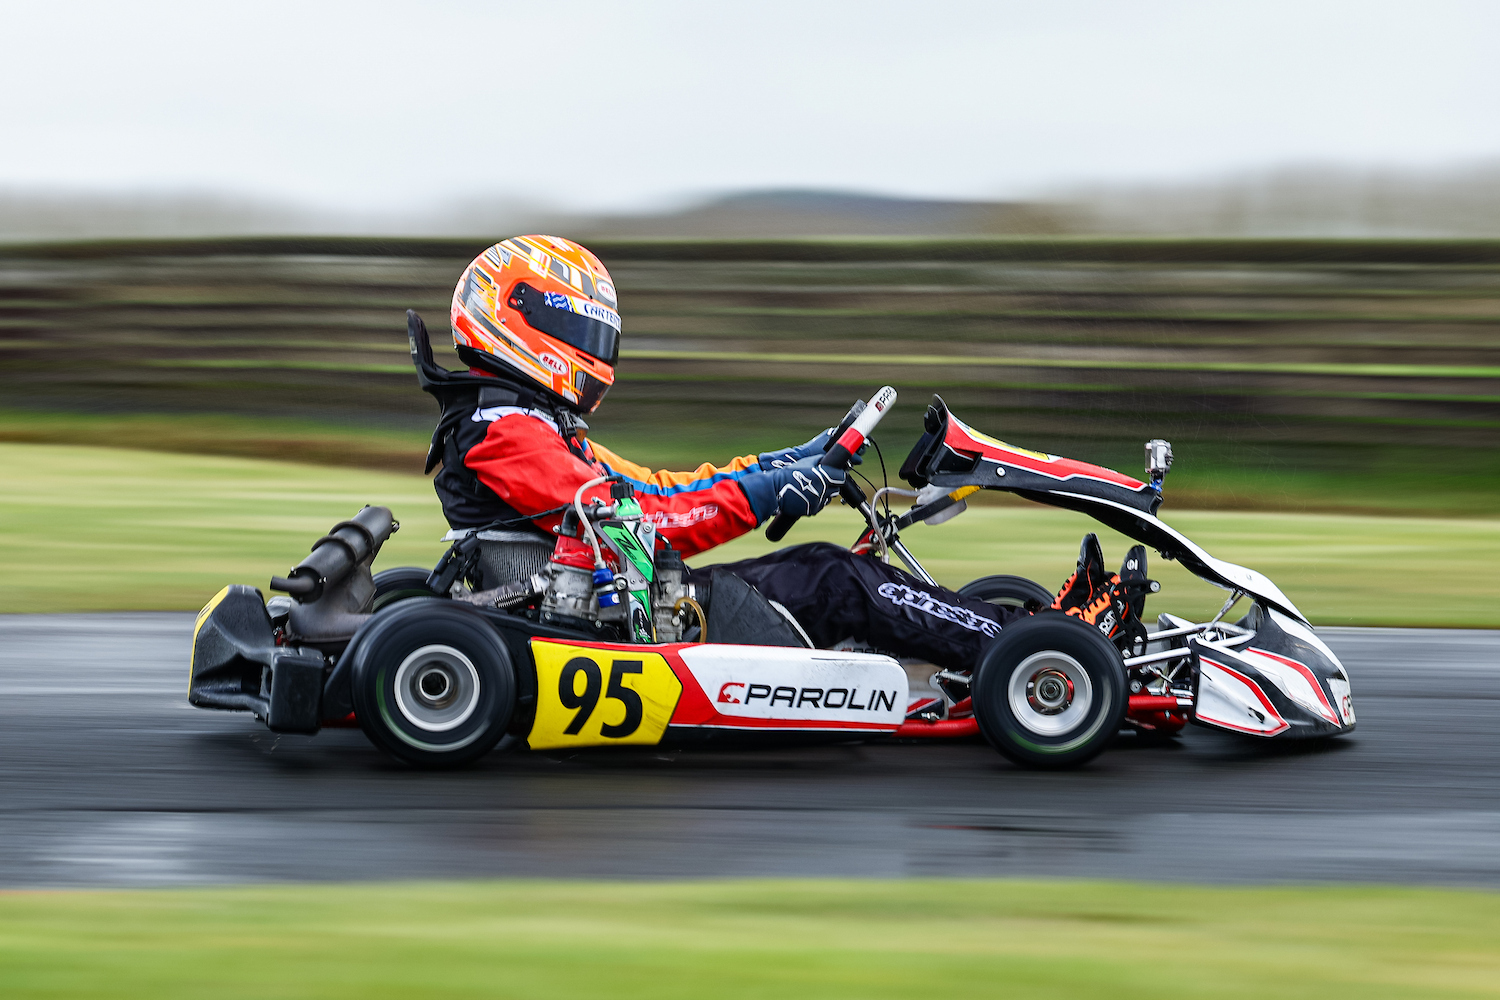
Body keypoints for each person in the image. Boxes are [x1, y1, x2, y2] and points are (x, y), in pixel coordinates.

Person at [427, 236, 1137, 671]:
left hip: (626, 607)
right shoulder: (506, 431)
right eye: (573, 325)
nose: (593, 347)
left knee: (839, 572)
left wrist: (783, 462)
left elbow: (653, 485)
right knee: (836, 577)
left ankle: (1016, 633)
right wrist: (770, 493)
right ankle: (1042, 646)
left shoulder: (521, 421)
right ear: (515, 320)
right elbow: (645, 520)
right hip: (622, 625)